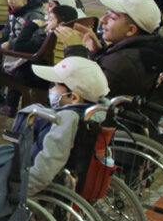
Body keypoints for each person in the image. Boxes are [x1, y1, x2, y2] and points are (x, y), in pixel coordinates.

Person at [55, 0, 163, 96]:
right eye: (107, 13)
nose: (103, 19)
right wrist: (98, 51)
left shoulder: (125, 61)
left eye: (113, 17)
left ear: (131, 30)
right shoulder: (143, 48)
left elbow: (88, 91)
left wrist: (74, 50)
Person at [25, 56, 111, 193]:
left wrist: (24, 188)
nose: (52, 89)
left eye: (56, 85)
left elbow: (50, 161)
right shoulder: (98, 114)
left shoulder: (67, 118)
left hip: (41, 182)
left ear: (74, 97)